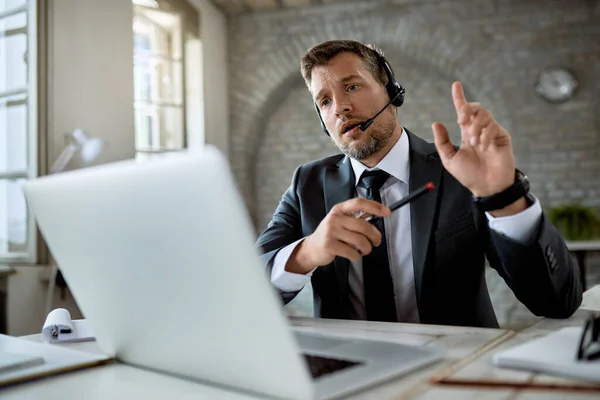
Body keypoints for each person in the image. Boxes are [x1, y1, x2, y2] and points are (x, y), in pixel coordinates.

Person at [255, 39, 582, 328]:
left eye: (352, 86)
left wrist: (504, 197)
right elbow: (248, 286)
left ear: (391, 90)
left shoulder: (462, 171)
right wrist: (308, 251)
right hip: (347, 375)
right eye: (324, 101)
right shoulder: (306, 184)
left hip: (453, 375)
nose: (339, 107)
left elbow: (556, 301)